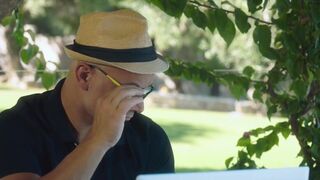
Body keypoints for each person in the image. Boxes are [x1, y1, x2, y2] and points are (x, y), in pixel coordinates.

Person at [0, 9, 174, 180]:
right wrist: (98, 142)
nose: (140, 106)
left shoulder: (149, 138)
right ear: (84, 75)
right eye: (128, 91)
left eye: (144, 91)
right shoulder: (16, 125)